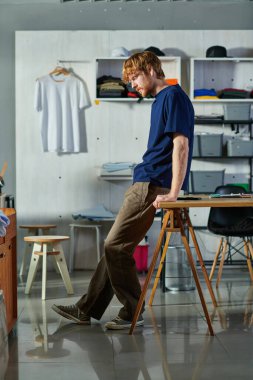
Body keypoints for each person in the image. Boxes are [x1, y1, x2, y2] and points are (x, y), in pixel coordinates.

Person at [52, 51, 194, 330]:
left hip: (150, 184)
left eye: (135, 77)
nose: (132, 85)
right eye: (128, 80)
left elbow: (181, 145)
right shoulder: (162, 100)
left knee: (114, 245)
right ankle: (86, 309)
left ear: (152, 69)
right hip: (146, 182)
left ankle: (132, 310)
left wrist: (174, 192)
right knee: (117, 248)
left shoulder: (172, 96)